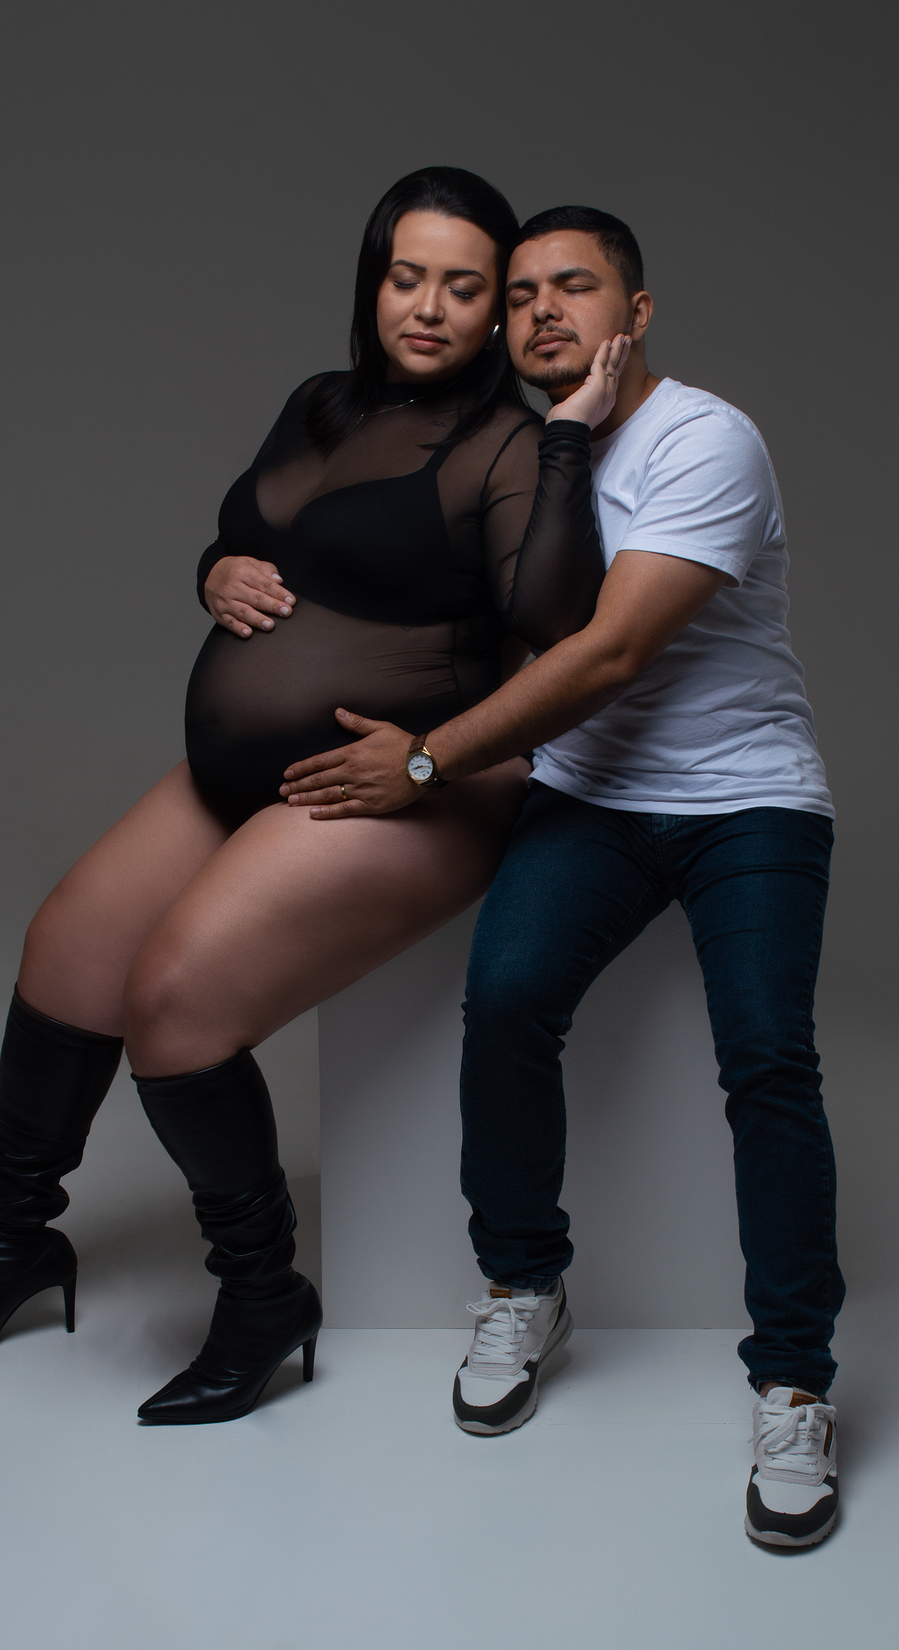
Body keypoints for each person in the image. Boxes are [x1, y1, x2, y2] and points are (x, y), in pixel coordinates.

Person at [0, 169, 624, 1429]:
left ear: (499, 307)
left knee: (173, 1001)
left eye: (464, 288)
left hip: (404, 784)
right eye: (407, 278)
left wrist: (566, 433)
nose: (429, 309)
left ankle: (264, 1294)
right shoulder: (322, 401)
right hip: (239, 776)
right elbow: (250, 531)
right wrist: (212, 569)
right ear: (372, 281)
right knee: (65, 953)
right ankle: (11, 1242)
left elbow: (557, 617)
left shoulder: (506, 444)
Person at [280, 206, 844, 1548]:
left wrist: (426, 762)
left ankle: (794, 1382)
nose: (542, 312)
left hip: (745, 799)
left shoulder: (705, 438)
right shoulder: (542, 448)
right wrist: (231, 559)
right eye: (523, 291)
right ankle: (526, 1283)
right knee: (509, 1002)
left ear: (635, 314)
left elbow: (605, 654)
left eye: (574, 287)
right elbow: (383, 559)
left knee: (768, 1057)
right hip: (590, 798)